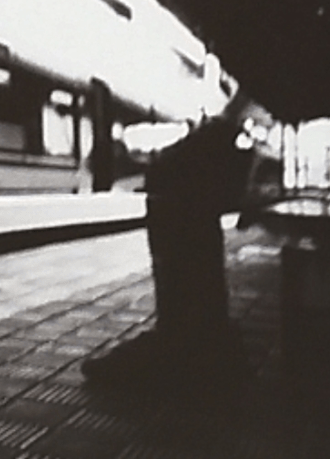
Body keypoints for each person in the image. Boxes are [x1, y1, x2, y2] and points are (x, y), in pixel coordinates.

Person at [81, 80, 257, 390]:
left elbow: (183, 162)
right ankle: (192, 343)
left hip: (185, 334)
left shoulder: (177, 178)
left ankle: (180, 347)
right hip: (205, 330)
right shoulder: (193, 179)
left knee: (172, 188)